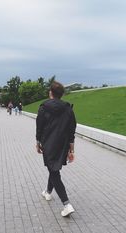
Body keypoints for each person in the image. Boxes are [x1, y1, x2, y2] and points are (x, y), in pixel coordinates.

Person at [36, 81, 76, 217]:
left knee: (54, 172)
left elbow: (39, 127)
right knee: (53, 168)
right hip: (63, 145)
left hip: (48, 144)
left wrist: (38, 142)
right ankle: (47, 192)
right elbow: (72, 130)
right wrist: (72, 149)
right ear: (62, 94)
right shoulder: (68, 109)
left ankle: (66, 204)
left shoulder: (43, 107)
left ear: (50, 93)